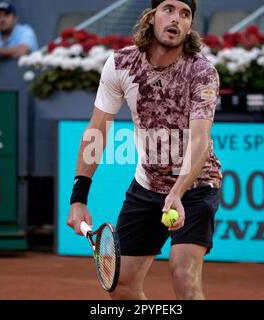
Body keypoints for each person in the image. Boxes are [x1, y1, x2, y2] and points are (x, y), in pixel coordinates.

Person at [66, 0, 222, 300]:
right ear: (151, 17)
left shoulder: (202, 72)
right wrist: (78, 198)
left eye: (185, 14)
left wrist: (177, 193)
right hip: (147, 185)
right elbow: (97, 130)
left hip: (196, 185)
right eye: (168, 9)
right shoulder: (121, 64)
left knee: (184, 276)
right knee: (121, 283)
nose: (176, 18)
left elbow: (200, 141)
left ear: (190, 26)